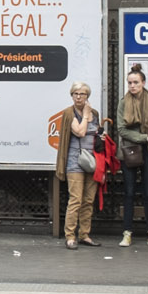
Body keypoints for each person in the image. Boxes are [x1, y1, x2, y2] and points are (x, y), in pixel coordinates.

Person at [116, 63, 148, 248]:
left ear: (143, 82)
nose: (132, 86)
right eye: (129, 83)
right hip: (130, 151)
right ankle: (127, 233)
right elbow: (122, 130)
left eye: (135, 82)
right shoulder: (123, 102)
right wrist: (146, 137)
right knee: (128, 192)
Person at [52, 82, 102, 250]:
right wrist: (86, 115)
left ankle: (84, 234)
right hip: (75, 161)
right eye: (76, 94)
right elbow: (80, 132)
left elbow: (96, 133)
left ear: (88, 96)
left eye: (82, 94)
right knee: (76, 200)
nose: (79, 97)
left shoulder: (95, 114)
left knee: (88, 200)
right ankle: (70, 235)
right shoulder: (69, 113)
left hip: (92, 161)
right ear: (71, 95)